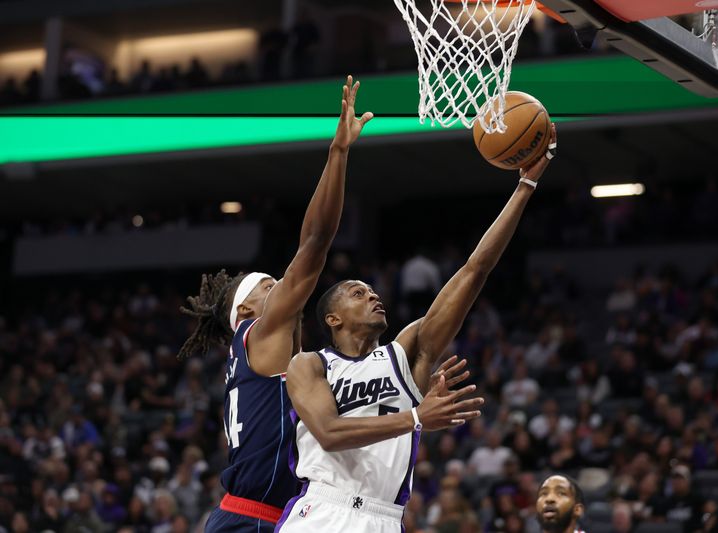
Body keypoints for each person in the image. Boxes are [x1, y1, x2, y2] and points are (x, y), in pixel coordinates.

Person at [277, 125, 558, 532]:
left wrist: (526, 186)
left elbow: (474, 271)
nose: (373, 296)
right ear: (332, 319)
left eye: (373, 292)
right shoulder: (310, 365)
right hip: (322, 511)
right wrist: (416, 417)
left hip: (384, 518)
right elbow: (329, 432)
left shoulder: (406, 353)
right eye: (358, 293)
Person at [178, 76, 373, 532]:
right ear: (246, 312)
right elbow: (315, 242)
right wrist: (338, 152)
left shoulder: (275, 356)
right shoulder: (258, 334)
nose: (282, 286)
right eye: (269, 285)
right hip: (252, 521)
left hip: (275, 518)